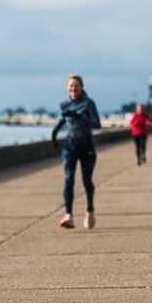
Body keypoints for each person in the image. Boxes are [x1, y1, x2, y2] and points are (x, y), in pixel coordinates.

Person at [51, 74, 101, 229]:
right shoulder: (65, 104)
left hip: (86, 145)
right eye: (71, 86)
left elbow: (97, 124)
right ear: (68, 88)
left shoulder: (88, 103)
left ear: (81, 88)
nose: (74, 89)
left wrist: (80, 118)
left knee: (86, 180)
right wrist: (55, 133)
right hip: (70, 144)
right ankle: (69, 215)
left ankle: (90, 210)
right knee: (69, 178)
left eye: (76, 86)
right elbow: (64, 120)